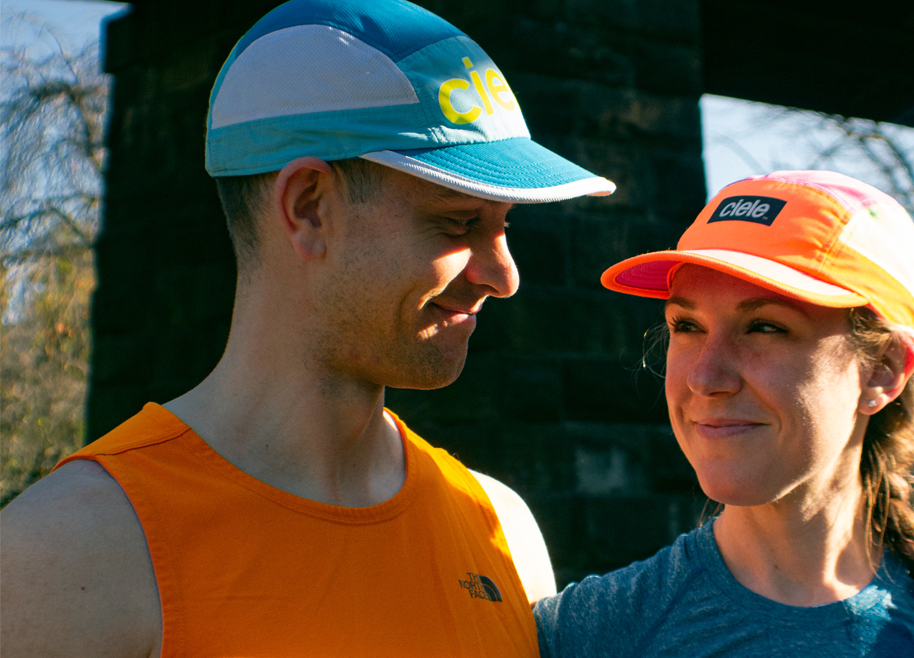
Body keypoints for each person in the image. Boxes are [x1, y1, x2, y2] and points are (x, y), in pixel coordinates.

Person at [0, 0, 615, 655]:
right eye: (460, 222)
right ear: (308, 208)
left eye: (505, 225)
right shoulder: (71, 551)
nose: (505, 275)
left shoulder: (500, 529)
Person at [533, 170, 914, 658]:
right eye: (686, 325)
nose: (705, 378)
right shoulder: (588, 633)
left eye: (764, 327)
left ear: (882, 370)